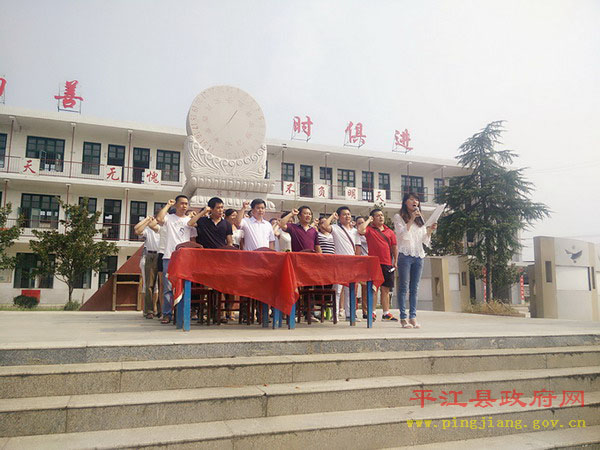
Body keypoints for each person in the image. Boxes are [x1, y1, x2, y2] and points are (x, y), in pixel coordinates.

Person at [393, 192, 437, 328]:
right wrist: (411, 219)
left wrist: (430, 230)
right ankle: (403, 318)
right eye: (411, 199)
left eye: (416, 200)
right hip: (405, 254)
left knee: (414, 288)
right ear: (405, 202)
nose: (415, 202)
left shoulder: (420, 218)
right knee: (403, 287)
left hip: (418, 255)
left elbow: (424, 239)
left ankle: (413, 316)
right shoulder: (398, 217)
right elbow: (401, 235)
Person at [156, 195, 196, 324]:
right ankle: (167, 314)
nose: (184, 206)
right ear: (176, 205)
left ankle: (182, 313)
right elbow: (159, 219)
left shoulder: (190, 221)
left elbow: (193, 240)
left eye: (186, 204)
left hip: (185, 259)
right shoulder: (169, 218)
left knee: (184, 287)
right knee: (168, 288)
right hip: (169, 256)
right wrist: (168, 205)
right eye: (182, 203)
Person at [322, 207, 365, 321]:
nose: (347, 216)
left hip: (351, 263)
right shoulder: (335, 228)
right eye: (344, 214)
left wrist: (357, 262)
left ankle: (350, 314)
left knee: (350, 290)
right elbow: (324, 226)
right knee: (337, 289)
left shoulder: (355, 231)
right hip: (339, 263)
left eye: (349, 214)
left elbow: (358, 247)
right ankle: (335, 314)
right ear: (339, 217)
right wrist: (332, 216)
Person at [358, 208, 398, 321]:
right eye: (377, 215)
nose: (381, 217)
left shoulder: (389, 231)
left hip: (387, 263)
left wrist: (395, 261)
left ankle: (386, 313)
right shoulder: (369, 230)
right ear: (372, 218)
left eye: (382, 215)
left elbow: (394, 247)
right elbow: (360, 230)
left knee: (386, 289)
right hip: (374, 263)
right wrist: (368, 220)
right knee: (373, 289)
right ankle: (372, 312)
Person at [134, 215, 161, 319]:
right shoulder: (149, 229)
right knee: (149, 285)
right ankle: (149, 310)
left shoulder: (164, 227)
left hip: (162, 255)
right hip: (150, 255)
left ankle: (159, 309)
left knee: (161, 285)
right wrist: (147, 220)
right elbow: (137, 230)